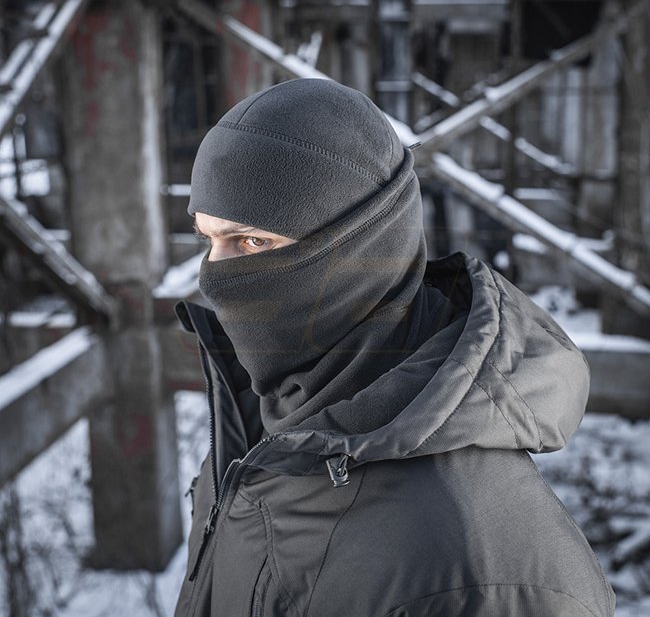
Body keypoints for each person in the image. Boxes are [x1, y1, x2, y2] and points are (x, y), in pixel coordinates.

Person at [174, 78, 615, 616]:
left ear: (359, 247)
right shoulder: (259, 418)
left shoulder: (483, 573)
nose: (213, 279)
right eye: (207, 238)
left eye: (252, 241)